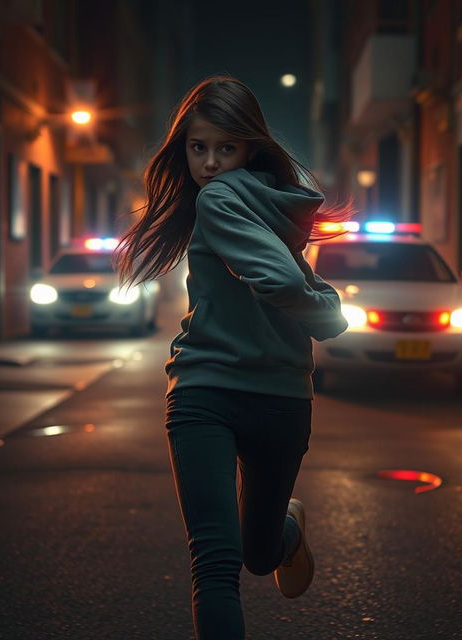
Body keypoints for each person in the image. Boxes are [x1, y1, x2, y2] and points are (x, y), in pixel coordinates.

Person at [114, 76, 349, 640]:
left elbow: (279, 280)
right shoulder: (272, 204)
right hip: (208, 390)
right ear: (184, 148)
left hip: (275, 397)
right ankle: (279, 534)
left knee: (258, 556)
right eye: (199, 148)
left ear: (250, 147)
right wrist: (324, 303)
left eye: (227, 148)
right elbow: (299, 278)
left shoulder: (221, 200)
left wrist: (328, 317)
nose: (211, 164)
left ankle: (284, 533)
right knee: (218, 566)